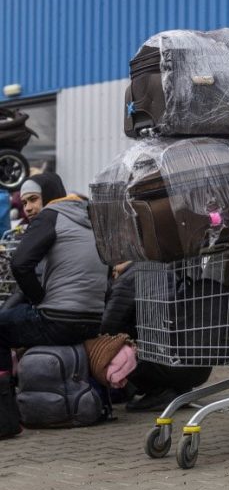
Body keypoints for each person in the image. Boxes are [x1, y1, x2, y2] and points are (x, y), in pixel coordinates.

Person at [0, 172, 107, 439]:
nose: (28, 209)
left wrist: (38, 299)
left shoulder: (51, 215)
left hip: (59, 320)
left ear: (50, 195)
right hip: (93, 320)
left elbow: (20, 264)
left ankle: (5, 419)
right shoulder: (87, 216)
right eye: (24, 203)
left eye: (33, 199)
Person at [101, 261, 212, 411]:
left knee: (115, 351)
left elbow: (107, 329)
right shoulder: (164, 269)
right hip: (200, 366)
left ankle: (160, 393)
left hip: (171, 365)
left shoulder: (125, 282)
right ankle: (178, 389)